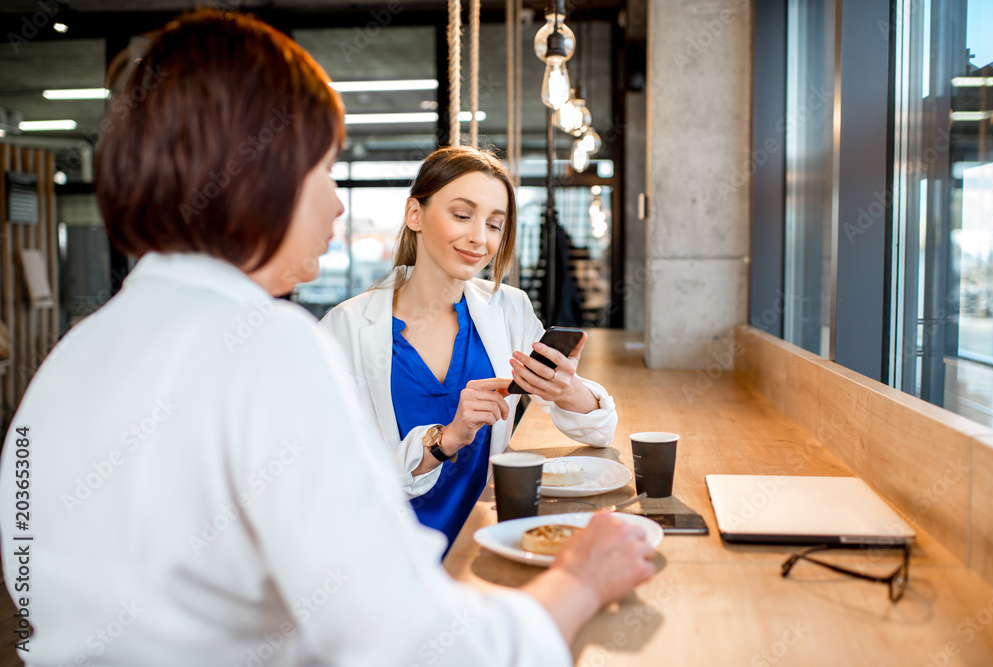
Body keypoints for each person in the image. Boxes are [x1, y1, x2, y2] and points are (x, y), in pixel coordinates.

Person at [0, 11, 655, 667]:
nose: (337, 204)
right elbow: (411, 642)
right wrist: (580, 579)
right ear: (261, 173)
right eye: (323, 168)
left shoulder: (71, 359)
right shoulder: (265, 346)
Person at [320, 146, 618, 547]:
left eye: (495, 225)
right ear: (415, 215)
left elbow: (600, 432)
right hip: (385, 553)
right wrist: (445, 440)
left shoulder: (509, 309)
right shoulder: (345, 329)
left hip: (480, 543)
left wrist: (567, 390)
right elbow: (330, 472)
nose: (480, 238)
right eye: (462, 216)